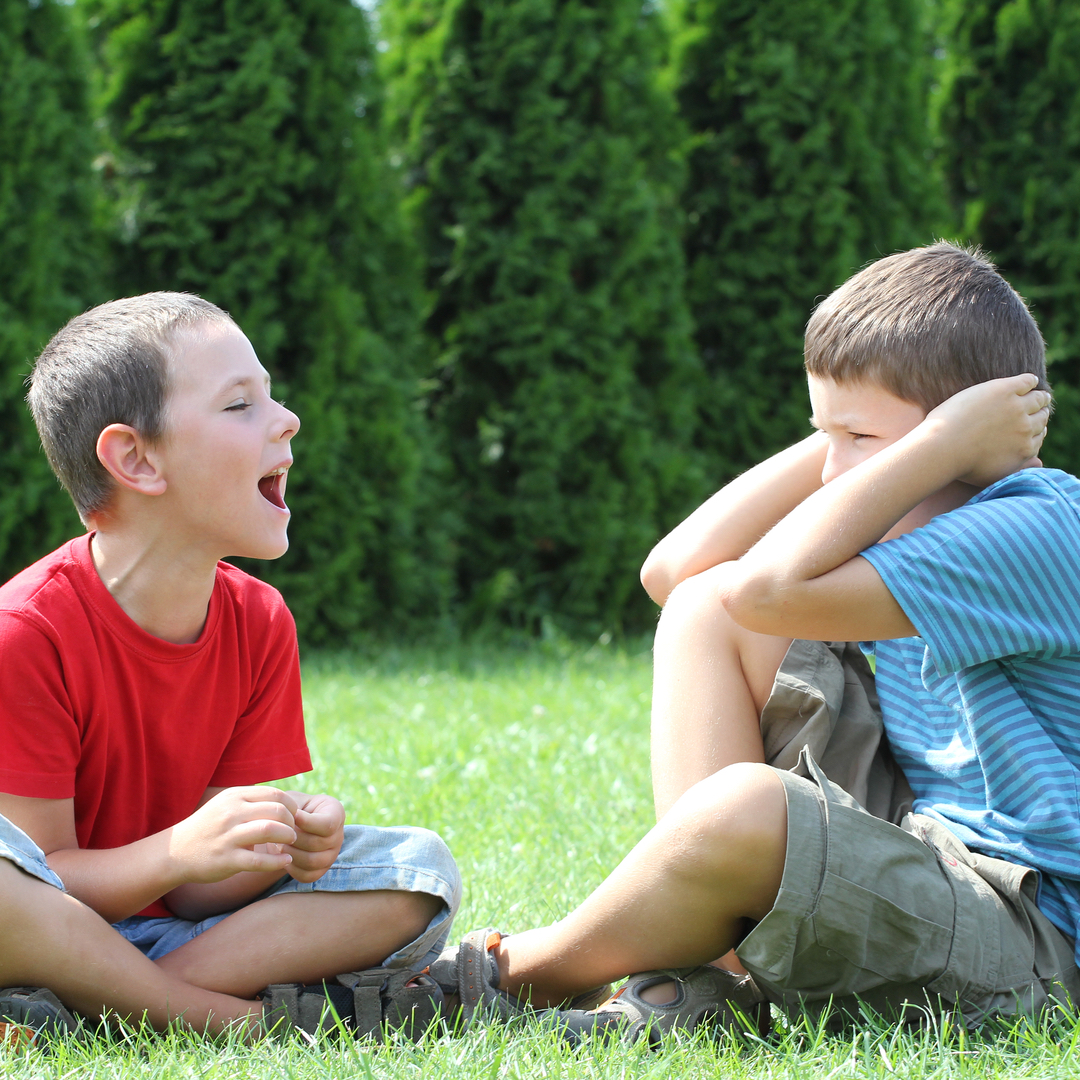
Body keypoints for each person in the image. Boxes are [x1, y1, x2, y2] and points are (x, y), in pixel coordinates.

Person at [430, 242, 1080, 1041]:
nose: (832, 472)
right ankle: (716, 978)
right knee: (709, 610)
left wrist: (937, 444)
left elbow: (768, 589)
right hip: (928, 848)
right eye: (823, 435)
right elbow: (679, 576)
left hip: (1036, 937)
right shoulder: (916, 510)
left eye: (861, 441)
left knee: (746, 806)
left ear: (965, 439)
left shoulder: (1035, 523)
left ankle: (500, 975)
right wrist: (868, 435)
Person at [0, 294, 460, 1042]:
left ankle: (92, 1008)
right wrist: (178, 850)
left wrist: (284, 840)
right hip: (41, 928)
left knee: (417, 871)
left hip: (180, 946)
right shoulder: (24, 632)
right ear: (136, 459)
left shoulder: (260, 621)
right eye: (241, 404)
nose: (286, 419)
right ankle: (225, 1021)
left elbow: (195, 898)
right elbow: (41, 875)